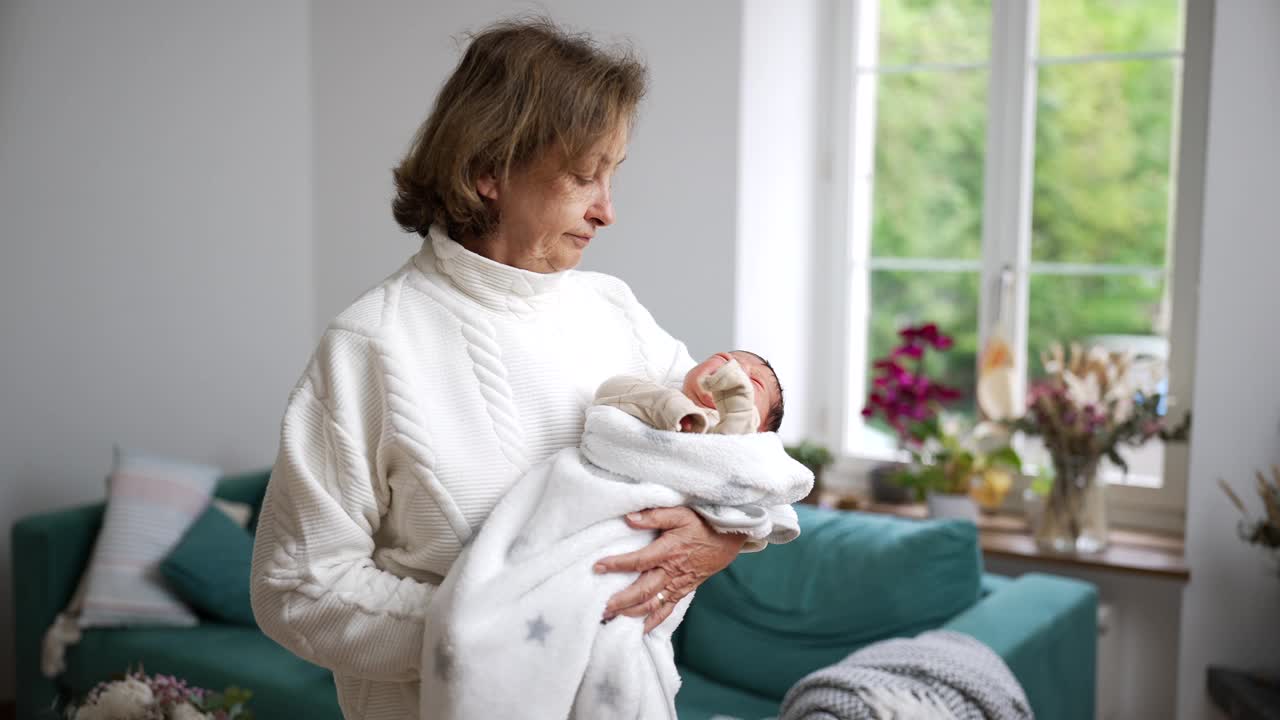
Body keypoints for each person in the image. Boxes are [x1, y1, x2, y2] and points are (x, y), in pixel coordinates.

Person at [250, 18, 798, 720]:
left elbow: (737, 460)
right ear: (489, 172)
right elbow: (297, 587)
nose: (608, 212)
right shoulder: (372, 345)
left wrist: (722, 541)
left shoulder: (616, 311)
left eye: (614, 175)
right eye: (582, 176)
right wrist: (519, 627)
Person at [418, 354, 809, 718]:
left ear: (761, 431)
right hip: (589, 510)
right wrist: (674, 410)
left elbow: (739, 488)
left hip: (643, 555)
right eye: (723, 357)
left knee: (618, 651)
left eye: (753, 381)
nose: (732, 368)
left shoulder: (744, 451)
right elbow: (611, 410)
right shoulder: (653, 398)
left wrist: (735, 411)